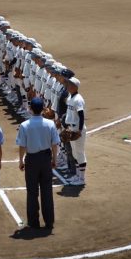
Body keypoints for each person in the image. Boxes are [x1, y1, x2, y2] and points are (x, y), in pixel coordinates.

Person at [16, 97, 60, 230]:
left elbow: (22, 146)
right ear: (43, 109)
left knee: (32, 191)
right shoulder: (50, 124)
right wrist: (54, 160)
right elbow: (54, 144)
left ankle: (33, 222)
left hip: (32, 160)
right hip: (45, 159)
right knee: (47, 191)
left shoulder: (25, 125)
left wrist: (21, 160)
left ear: (30, 109)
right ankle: (49, 221)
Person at [64, 77, 87, 186]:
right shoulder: (70, 98)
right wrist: (68, 127)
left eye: (69, 84)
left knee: (80, 153)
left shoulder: (78, 99)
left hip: (78, 129)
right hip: (71, 128)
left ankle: (81, 179)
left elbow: (81, 116)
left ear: (74, 86)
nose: (67, 86)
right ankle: (77, 176)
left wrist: (79, 130)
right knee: (74, 153)